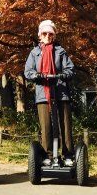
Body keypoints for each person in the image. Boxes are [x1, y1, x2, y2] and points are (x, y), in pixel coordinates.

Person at [24, 19, 75, 167]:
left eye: (50, 34)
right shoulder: (34, 53)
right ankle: (47, 155)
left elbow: (70, 69)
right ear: (40, 35)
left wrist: (64, 74)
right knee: (46, 126)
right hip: (43, 94)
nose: (47, 36)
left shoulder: (60, 51)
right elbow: (28, 71)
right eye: (45, 33)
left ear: (54, 35)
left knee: (65, 125)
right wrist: (37, 75)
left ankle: (67, 155)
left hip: (61, 92)